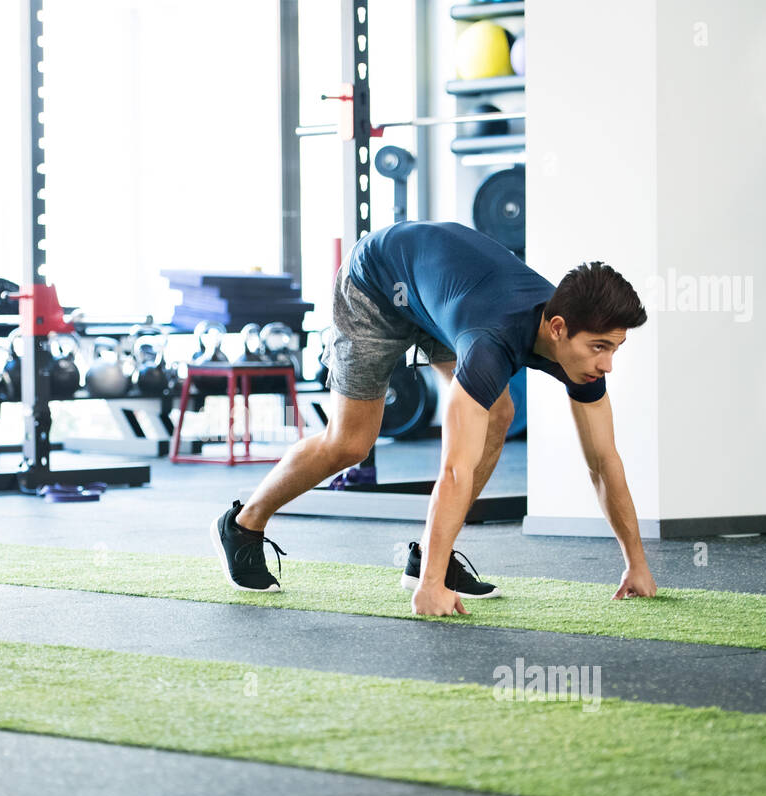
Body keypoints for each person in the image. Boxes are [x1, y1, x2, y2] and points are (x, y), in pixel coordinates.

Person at [211, 220, 659, 616]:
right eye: (600, 347)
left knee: (498, 413)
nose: (608, 365)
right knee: (350, 443)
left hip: (444, 292)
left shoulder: (578, 351)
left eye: (614, 349)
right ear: (558, 328)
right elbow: (454, 467)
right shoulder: (490, 344)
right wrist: (431, 589)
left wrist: (635, 564)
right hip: (378, 282)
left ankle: (430, 555)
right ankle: (243, 525)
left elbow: (604, 461)